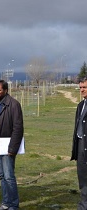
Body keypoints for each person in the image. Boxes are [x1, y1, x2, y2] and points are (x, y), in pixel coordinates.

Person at [0, 80, 24, 210]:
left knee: (9, 176)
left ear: (5, 90)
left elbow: (18, 128)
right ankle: (5, 203)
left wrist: (12, 148)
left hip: (7, 146)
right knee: (2, 175)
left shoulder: (13, 105)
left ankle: (13, 205)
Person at [71, 77, 87, 209]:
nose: (82, 90)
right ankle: (83, 205)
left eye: (84, 87)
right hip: (81, 144)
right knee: (82, 176)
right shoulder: (81, 105)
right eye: (80, 87)